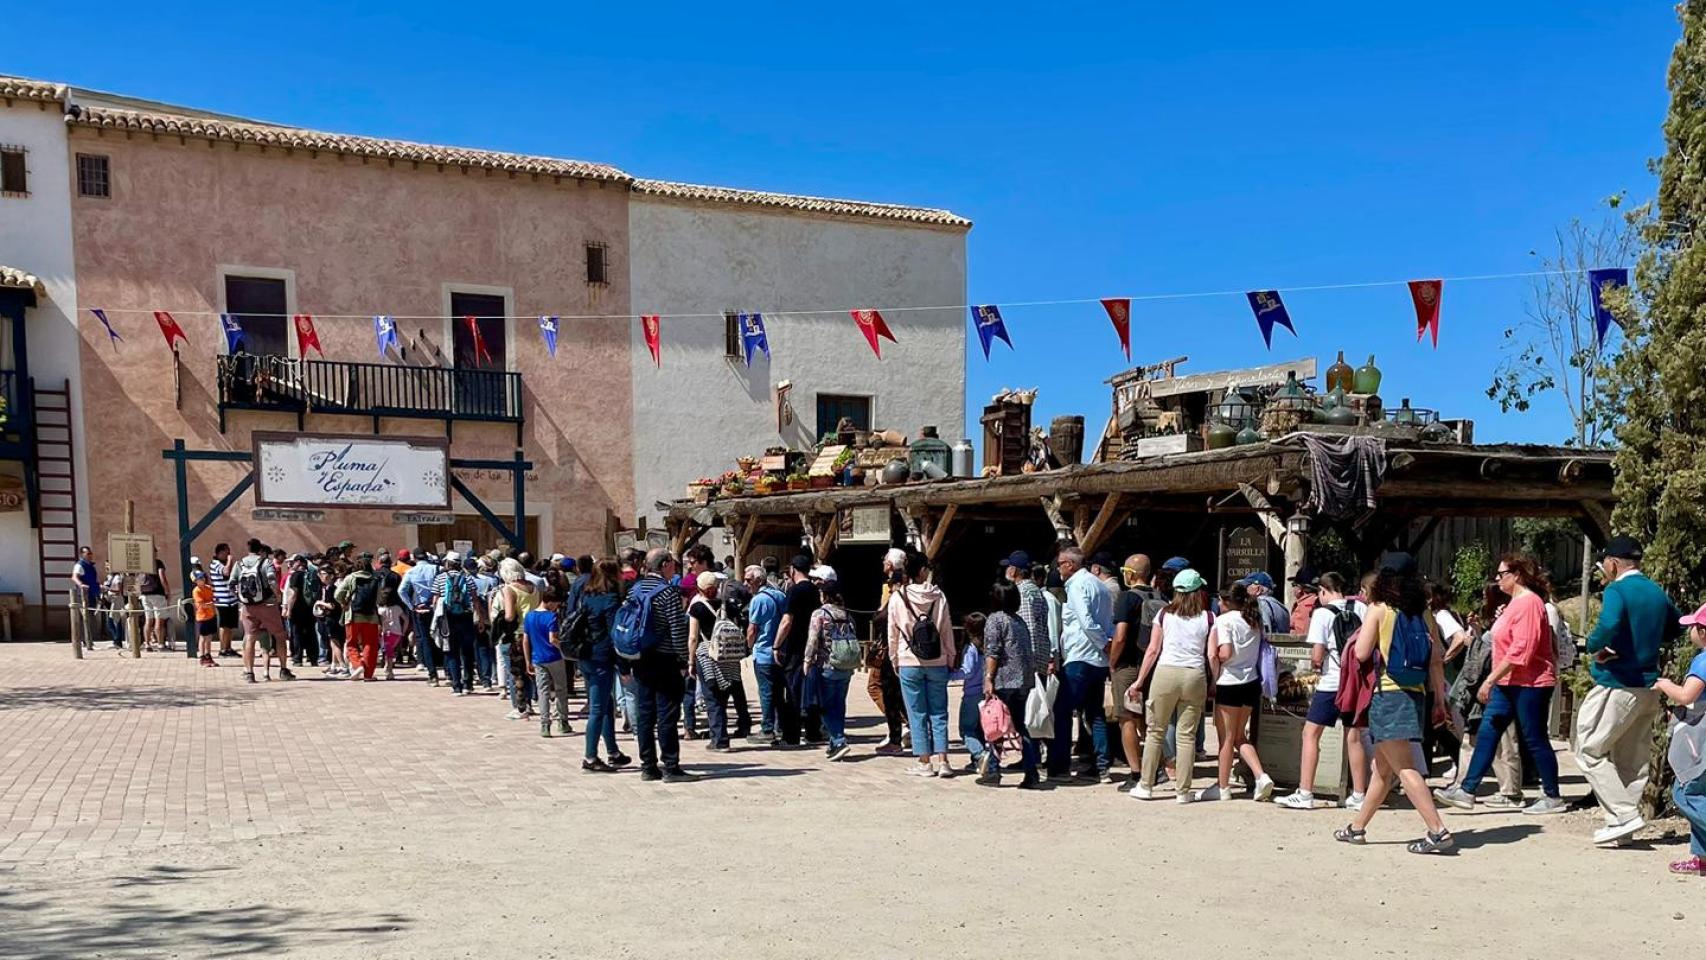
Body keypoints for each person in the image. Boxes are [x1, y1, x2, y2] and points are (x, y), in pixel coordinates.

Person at [1333, 552, 1454, 854]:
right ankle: (1357, 828)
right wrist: (1440, 699)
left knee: (1404, 768)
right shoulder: (1422, 612)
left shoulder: (1379, 609)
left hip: (1388, 693)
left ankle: (1437, 831)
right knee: (1383, 771)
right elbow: (1437, 657)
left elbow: (1361, 653)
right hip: (1416, 694)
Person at [1433, 554, 1566, 814]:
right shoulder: (1514, 604)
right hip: (1508, 682)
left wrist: (1489, 680)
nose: (1497, 579)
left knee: (1535, 737)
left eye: (1501, 574)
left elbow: (1521, 650)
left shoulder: (1529, 603)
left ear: (1516, 575)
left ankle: (1552, 796)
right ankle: (1467, 790)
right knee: (1487, 733)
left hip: (1531, 683)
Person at [1575, 536, 1682, 846]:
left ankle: (1623, 815)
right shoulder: (1655, 591)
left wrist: (1596, 648)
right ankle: (1620, 827)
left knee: (1589, 749)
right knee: (1631, 759)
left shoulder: (1617, 590)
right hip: (1649, 685)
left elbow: (1607, 626)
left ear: (1613, 563)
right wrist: (1647, 644)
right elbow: (1676, 627)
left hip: (1617, 683)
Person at [1278, 572, 1371, 810]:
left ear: (1323, 591)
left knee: (1310, 734)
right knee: (1354, 736)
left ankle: (1305, 792)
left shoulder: (1322, 614)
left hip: (1331, 682)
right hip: (1355, 682)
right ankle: (1359, 794)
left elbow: (1317, 655)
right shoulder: (1361, 609)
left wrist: (1316, 665)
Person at [1129, 569, 1213, 802]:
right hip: (1195, 674)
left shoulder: (1164, 615)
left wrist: (1139, 681)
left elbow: (1153, 650)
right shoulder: (1208, 618)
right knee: (1187, 736)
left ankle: (1146, 785)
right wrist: (1213, 680)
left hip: (1166, 672)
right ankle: (1183, 791)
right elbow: (1210, 653)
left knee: (1155, 731)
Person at [889, 550, 957, 777]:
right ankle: (944, 760)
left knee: (916, 711)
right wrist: (951, 655)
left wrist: (894, 658)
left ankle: (924, 761)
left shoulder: (897, 597)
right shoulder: (940, 596)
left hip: (909, 659)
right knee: (939, 711)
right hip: (937, 659)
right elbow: (946, 629)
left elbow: (893, 633)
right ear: (922, 571)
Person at [1204, 583, 1275, 801]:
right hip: (1250, 681)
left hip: (1229, 681)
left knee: (1225, 738)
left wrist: (1213, 659)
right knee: (1239, 736)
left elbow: (1225, 652)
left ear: (1226, 601)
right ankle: (1260, 775)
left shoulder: (1224, 620)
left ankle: (1223, 786)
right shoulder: (1253, 619)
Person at [629, 548, 695, 782]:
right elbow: (677, 630)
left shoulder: (635, 589)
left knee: (645, 713)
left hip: (641, 658)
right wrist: (683, 660)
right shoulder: (667, 592)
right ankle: (671, 766)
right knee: (667, 713)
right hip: (664, 659)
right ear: (665, 564)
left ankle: (648, 765)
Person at [1052, 546, 1113, 781]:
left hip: (1081, 655)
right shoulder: (1100, 585)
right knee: (1094, 713)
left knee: (1063, 711)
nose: (1058, 569)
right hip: (1097, 660)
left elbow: (1086, 621)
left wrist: (1102, 643)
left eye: (1060, 564)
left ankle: (1060, 766)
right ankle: (1101, 766)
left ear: (1070, 564)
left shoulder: (1077, 585)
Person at [1655, 603, 1706, 876]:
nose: (1690, 633)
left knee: (1686, 792)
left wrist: (1664, 685)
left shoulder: (1704, 660)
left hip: (1700, 739)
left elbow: (1688, 695)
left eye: (1693, 628)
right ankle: (1702, 858)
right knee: (1701, 792)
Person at [979, 580, 1041, 788]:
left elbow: (992, 652)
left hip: (1004, 680)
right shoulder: (1019, 621)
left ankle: (994, 771)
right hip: (1023, 680)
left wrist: (989, 677)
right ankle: (1031, 771)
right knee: (1020, 726)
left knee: (995, 724)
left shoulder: (995, 620)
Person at [1109, 554, 1160, 790]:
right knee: (1149, 720)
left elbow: (1120, 636)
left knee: (1126, 718)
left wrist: (1112, 662)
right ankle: (1156, 766)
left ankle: (1136, 772)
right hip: (1153, 666)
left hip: (1128, 665)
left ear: (1131, 573)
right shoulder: (1161, 597)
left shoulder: (1126, 598)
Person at [577, 558, 632, 772]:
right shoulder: (611, 601)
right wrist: (624, 667)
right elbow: (614, 636)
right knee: (598, 709)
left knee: (606, 705)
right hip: (602, 657)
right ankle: (590, 757)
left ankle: (613, 751)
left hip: (586, 655)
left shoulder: (587, 596)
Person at [687, 570, 751, 751]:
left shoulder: (697, 608)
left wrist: (690, 661)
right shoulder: (730, 606)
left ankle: (719, 739)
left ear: (699, 588)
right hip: (728, 655)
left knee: (712, 696)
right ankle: (733, 729)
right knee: (727, 692)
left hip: (707, 654)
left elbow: (693, 637)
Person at [804, 568, 858, 761]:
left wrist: (807, 661)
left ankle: (838, 739)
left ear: (824, 595)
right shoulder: (846, 614)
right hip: (846, 666)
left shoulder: (820, 613)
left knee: (825, 706)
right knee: (839, 704)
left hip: (826, 664)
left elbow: (812, 640)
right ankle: (834, 743)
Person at [773, 556, 823, 746]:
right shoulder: (814, 590)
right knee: (810, 689)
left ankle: (791, 735)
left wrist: (776, 645)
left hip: (794, 647)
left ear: (793, 570)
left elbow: (787, 621)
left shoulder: (794, 591)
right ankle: (813, 730)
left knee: (792, 692)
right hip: (811, 645)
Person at [867, 548, 910, 754]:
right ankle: (908, 728)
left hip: (892, 649)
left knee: (882, 689)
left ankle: (899, 730)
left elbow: (882, 620)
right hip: (906, 650)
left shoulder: (894, 592)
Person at [235, 539, 295, 683]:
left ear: (248, 548)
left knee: (250, 637)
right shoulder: (266, 563)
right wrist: (277, 595)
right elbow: (272, 580)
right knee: (279, 635)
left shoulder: (239, 564)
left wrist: (242, 599)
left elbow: (232, 584)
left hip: (248, 606)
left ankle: (249, 673)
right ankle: (283, 670)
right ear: (260, 549)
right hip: (267, 604)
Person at [744, 565, 786, 745]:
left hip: (763, 652)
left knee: (766, 692)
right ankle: (780, 726)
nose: (746, 584)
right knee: (778, 692)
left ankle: (767, 728)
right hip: (780, 651)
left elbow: (752, 629)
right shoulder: (781, 596)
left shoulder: (758, 600)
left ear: (759, 580)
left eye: (749, 580)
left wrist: (748, 646)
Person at [496, 557, 541, 720]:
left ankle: (520, 707)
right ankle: (530, 703)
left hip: (517, 634)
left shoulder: (509, 589)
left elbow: (509, 615)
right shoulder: (533, 587)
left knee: (515, 672)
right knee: (531, 670)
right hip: (534, 632)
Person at [522, 588, 571, 737]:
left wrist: (527, 660)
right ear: (549, 602)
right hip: (554, 657)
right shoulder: (552, 617)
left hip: (537, 658)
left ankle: (545, 724)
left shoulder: (529, 616)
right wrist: (565, 648)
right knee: (561, 689)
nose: (557, 606)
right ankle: (562, 721)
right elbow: (552, 639)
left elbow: (525, 640)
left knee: (542, 691)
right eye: (556, 603)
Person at [434, 553, 484, 696]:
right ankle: (468, 684)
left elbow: (435, 600)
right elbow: (475, 600)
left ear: (447, 563)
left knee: (451, 651)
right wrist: (480, 619)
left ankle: (457, 686)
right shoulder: (468, 578)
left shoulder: (440, 578)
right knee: (467, 651)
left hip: (448, 618)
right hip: (466, 616)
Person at [335, 554, 383, 681]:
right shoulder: (375, 579)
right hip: (371, 616)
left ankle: (357, 665)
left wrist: (344, 602)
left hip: (353, 615)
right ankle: (368, 674)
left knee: (351, 643)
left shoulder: (351, 578)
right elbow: (379, 599)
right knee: (370, 644)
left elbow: (338, 594)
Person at [400, 553, 442, 685]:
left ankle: (432, 675)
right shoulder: (437, 569)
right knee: (442, 637)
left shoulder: (411, 572)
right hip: (436, 608)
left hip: (420, 608)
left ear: (415, 559)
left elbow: (401, 591)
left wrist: (411, 606)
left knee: (425, 640)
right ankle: (449, 672)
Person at [953, 612, 988, 773]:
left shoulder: (971, 649)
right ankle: (977, 762)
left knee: (966, 729)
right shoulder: (988, 647)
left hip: (971, 694)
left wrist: (949, 675)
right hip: (985, 692)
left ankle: (980, 754)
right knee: (979, 728)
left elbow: (967, 671)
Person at [282, 554, 319, 667]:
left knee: (296, 633)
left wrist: (288, 609)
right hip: (310, 608)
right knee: (311, 633)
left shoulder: (295, 576)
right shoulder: (312, 575)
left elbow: (293, 594)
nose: (293, 564)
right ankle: (313, 658)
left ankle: (297, 658)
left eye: (295, 562)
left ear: (300, 563)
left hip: (297, 609)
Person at [209, 542, 239, 658]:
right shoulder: (215, 564)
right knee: (224, 625)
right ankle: (222, 649)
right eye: (227, 552)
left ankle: (229, 647)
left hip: (232, 599)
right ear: (220, 553)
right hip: (223, 600)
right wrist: (230, 561)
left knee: (231, 626)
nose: (228, 554)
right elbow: (226, 572)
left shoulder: (224, 563)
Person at [70, 545, 102, 652]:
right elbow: (74, 577)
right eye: (88, 553)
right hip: (83, 595)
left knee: (90, 618)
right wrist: (81, 585)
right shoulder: (79, 565)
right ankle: (86, 641)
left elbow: (94, 580)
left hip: (92, 594)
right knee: (85, 618)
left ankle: (89, 640)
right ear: (82, 554)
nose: (90, 555)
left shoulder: (91, 566)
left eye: (90, 553)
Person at [1239, 571, 1292, 636]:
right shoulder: (1281, 607)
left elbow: (1264, 633)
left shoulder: (1261, 603)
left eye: (1247, 586)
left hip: (1268, 645)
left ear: (1258, 589)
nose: (1245, 590)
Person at [137, 558, 171, 652]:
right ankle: (160, 644)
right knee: (159, 620)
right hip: (157, 594)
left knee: (148, 620)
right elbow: (162, 577)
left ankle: (147, 644)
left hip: (144, 594)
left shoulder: (142, 562)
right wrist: (167, 591)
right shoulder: (158, 563)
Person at [192, 569, 218, 667]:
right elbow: (201, 605)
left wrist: (213, 602)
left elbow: (213, 599)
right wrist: (211, 604)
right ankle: (202, 657)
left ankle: (208, 655)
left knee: (209, 637)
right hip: (202, 617)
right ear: (196, 581)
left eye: (203, 577)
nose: (202, 579)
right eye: (199, 578)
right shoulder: (196, 591)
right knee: (203, 637)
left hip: (211, 615)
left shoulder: (208, 588)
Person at [1289, 568, 1320, 636]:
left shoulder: (1303, 605)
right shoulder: (1318, 601)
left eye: (1293, 585)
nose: (1293, 588)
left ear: (1299, 588)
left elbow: (1300, 633)